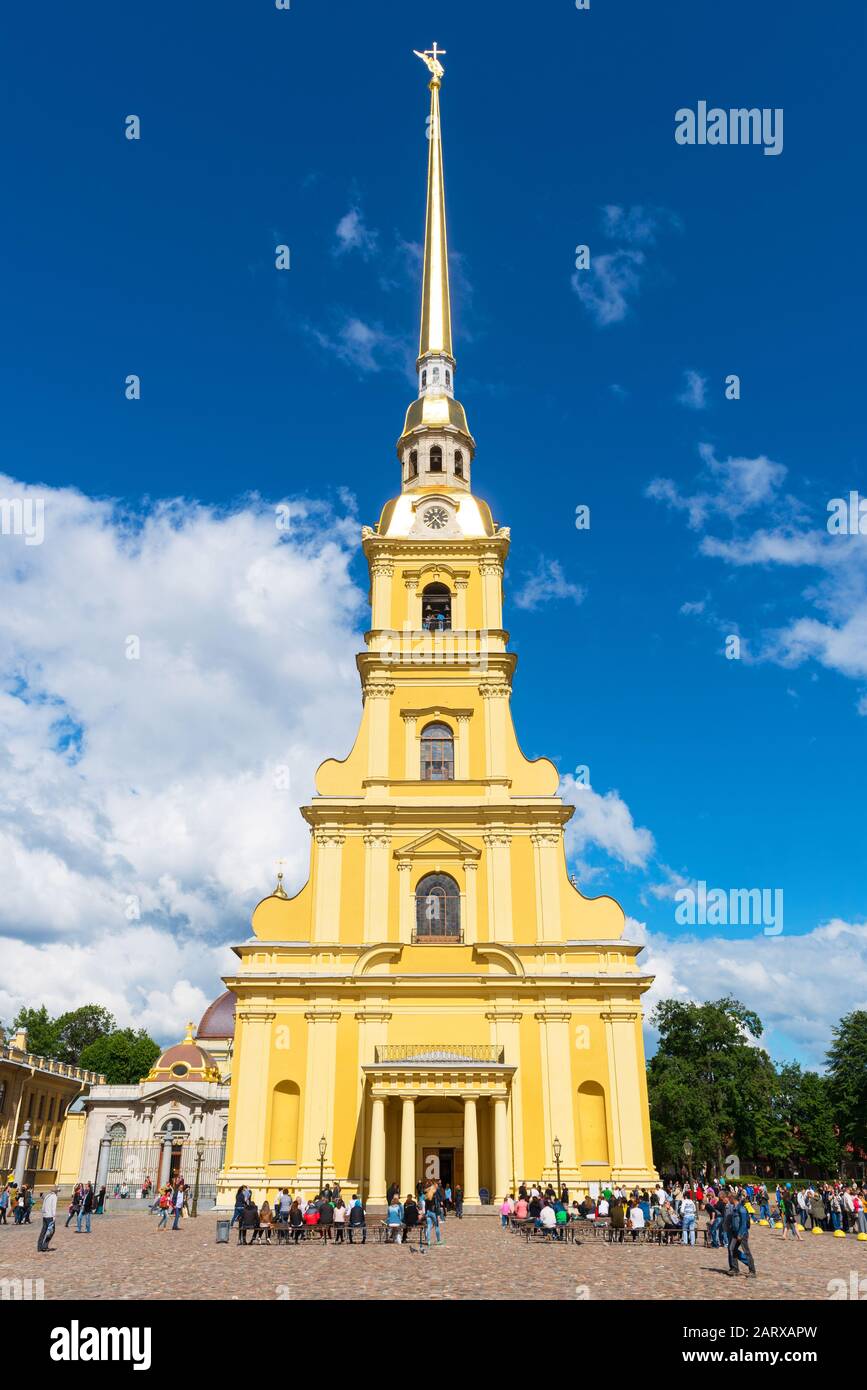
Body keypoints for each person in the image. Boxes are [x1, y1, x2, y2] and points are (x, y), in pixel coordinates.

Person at [729, 1194, 756, 1277]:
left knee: (746, 1251)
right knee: (732, 1249)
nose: (729, 1200)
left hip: (742, 1233)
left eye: (730, 1198)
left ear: (733, 1199)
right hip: (735, 1233)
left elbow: (743, 1222)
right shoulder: (735, 1208)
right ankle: (735, 1269)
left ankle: (752, 1271)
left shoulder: (741, 1208)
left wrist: (740, 1234)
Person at [37, 1186, 59, 1252]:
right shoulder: (54, 1197)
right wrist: (54, 1216)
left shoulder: (47, 1196)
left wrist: (43, 1212)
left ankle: (39, 1246)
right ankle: (45, 1245)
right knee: (51, 1231)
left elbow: (44, 1204)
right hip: (50, 1215)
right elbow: (53, 1207)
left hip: (45, 1215)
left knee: (43, 1231)